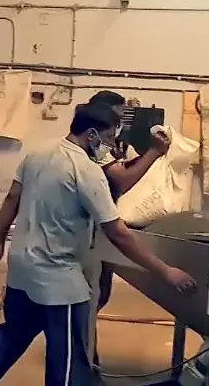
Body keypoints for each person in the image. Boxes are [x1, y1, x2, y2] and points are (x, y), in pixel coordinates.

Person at [0, 103, 194, 386]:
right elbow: (118, 233)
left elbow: (11, 198)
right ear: (91, 134)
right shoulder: (86, 170)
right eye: (106, 140)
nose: (108, 148)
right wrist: (165, 271)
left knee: (10, 336)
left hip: (21, 270)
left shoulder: (37, 154)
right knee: (68, 363)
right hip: (60, 282)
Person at [86, 91, 170, 316]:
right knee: (93, 293)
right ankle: (80, 347)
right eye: (119, 115)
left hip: (97, 225)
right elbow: (122, 180)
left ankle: (80, 344)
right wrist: (154, 152)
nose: (121, 123)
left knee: (96, 293)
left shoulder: (110, 145)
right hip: (92, 227)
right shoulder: (96, 146)